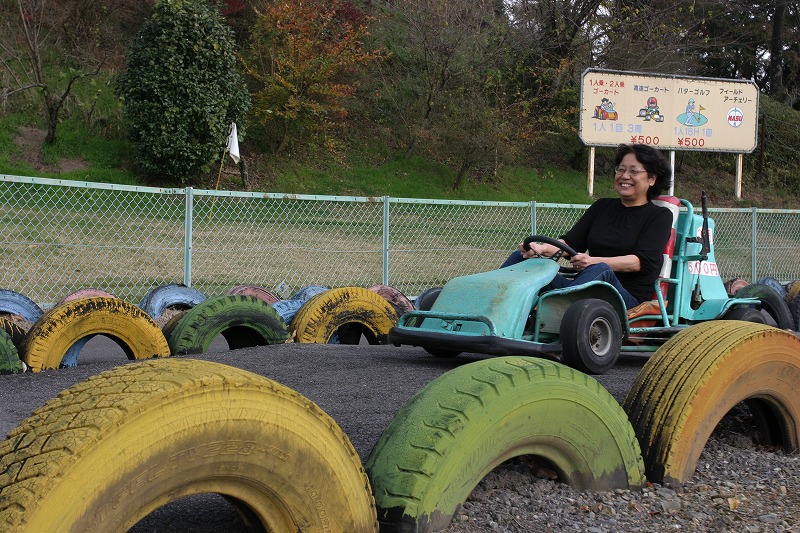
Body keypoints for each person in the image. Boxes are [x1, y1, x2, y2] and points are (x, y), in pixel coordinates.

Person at [500, 143, 673, 309]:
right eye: (621, 169)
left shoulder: (659, 216)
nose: (625, 176)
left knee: (601, 269)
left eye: (633, 171)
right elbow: (570, 243)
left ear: (652, 179)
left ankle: (560, 311)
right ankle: (490, 310)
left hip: (626, 298)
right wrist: (541, 248)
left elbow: (639, 262)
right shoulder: (602, 206)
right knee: (520, 259)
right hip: (582, 288)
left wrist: (592, 261)